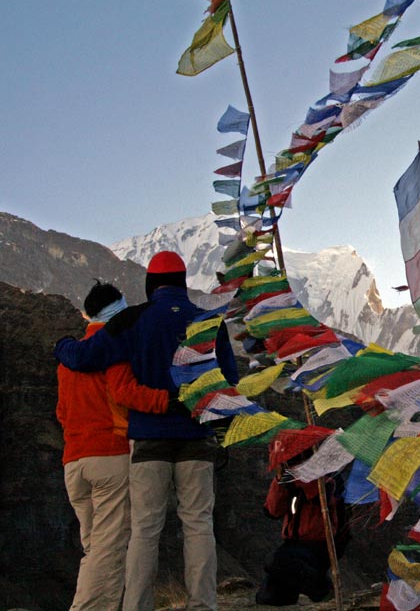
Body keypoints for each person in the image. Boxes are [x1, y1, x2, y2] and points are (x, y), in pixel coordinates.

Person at [55, 251, 239, 611]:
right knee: (199, 524)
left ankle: (136, 605)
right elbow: (229, 381)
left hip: (148, 438)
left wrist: (61, 345)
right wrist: (218, 427)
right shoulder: (208, 321)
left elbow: (85, 357)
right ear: (183, 282)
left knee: (144, 530)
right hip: (197, 437)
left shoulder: (133, 319)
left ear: (150, 284)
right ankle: (203, 604)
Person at [57, 281, 170, 611]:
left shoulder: (68, 362)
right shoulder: (113, 350)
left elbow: (62, 413)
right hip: (110, 457)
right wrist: (171, 401)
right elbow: (126, 394)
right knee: (108, 550)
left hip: (74, 462)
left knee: (95, 548)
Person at [255, 466, 346, 606]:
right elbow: (273, 511)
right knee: (268, 597)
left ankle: (322, 588)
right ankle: (297, 588)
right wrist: (280, 481)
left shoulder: (330, 477)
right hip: (293, 544)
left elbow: (321, 497)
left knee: (275, 561)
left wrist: (301, 478)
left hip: (321, 544)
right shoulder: (290, 478)